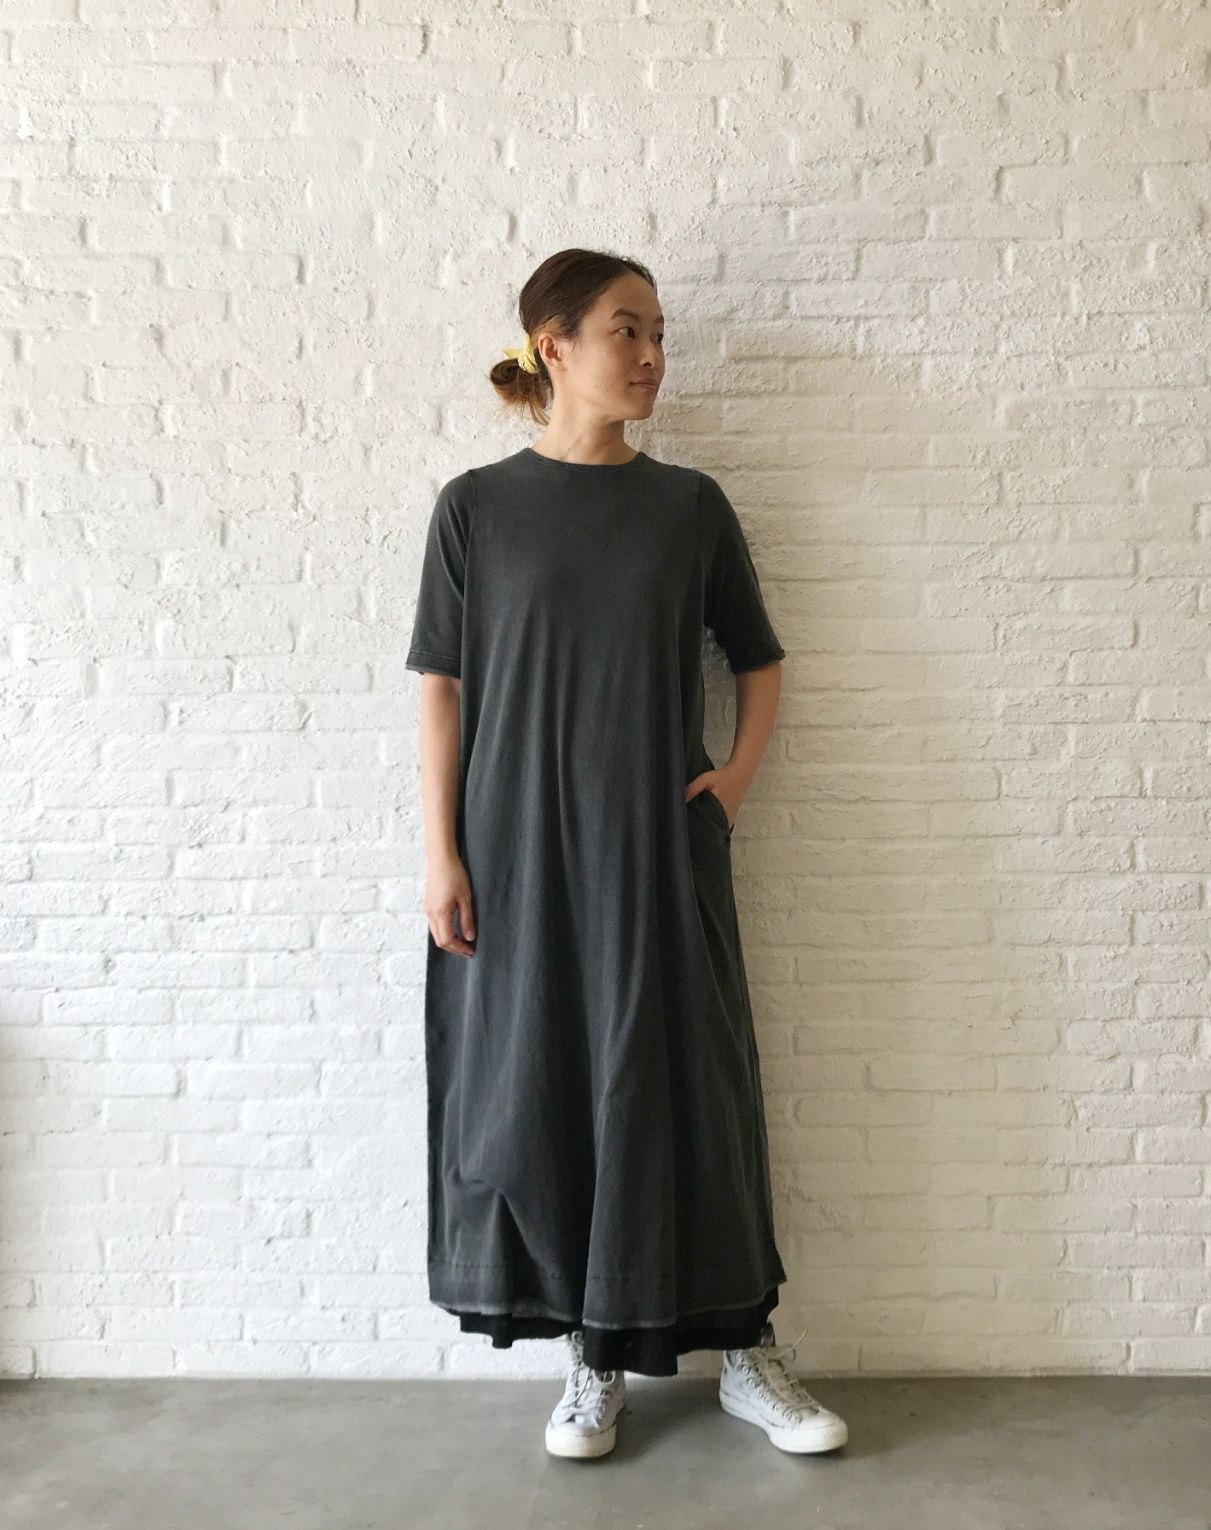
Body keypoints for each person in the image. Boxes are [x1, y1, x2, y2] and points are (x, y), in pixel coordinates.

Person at [406, 248, 847, 1459]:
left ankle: (745, 1349)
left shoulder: (688, 507)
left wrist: (732, 782)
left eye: (659, 335)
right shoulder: (474, 508)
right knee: (544, 1085)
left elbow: (758, 658)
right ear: (553, 346)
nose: (652, 356)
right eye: (627, 331)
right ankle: (591, 1359)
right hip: (515, 855)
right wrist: (442, 854)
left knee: (688, 1083)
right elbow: (440, 688)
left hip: (656, 845)